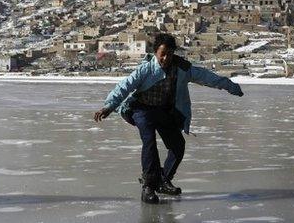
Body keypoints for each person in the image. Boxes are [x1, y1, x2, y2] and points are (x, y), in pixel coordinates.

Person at [94, 33, 244, 204]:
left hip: (163, 111)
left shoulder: (182, 69)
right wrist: (109, 106)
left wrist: (231, 86)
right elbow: (124, 86)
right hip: (140, 109)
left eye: (170, 54)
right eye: (162, 54)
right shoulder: (146, 69)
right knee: (149, 140)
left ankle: (163, 180)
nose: (166, 58)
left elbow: (207, 78)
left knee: (178, 145)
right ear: (155, 53)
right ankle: (149, 186)